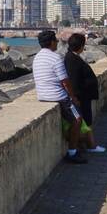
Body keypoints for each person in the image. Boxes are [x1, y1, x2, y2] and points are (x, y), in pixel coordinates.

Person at [32, 29, 88, 164]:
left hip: (42, 95)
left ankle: (78, 145)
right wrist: (73, 97)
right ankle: (72, 152)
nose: (57, 43)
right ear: (51, 42)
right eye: (56, 41)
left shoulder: (37, 57)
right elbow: (65, 81)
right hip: (58, 97)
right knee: (77, 119)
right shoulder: (55, 57)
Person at [64, 32, 105, 153]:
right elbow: (74, 80)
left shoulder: (72, 57)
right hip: (81, 96)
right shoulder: (72, 59)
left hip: (84, 95)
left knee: (87, 121)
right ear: (80, 46)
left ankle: (89, 145)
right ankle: (91, 145)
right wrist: (76, 97)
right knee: (86, 121)